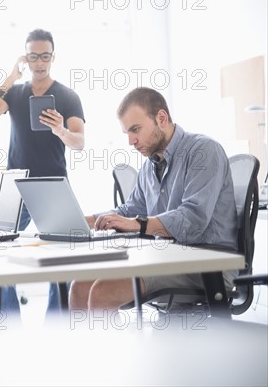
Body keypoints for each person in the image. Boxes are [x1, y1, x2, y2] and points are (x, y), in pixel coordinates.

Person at [69, 87, 238, 312]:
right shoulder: (150, 166)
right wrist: (82, 221)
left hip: (207, 265)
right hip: (168, 259)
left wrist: (140, 224)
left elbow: (193, 219)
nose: (131, 141)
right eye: (127, 133)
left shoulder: (204, 151)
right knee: (80, 287)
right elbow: (130, 210)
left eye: (135, 129)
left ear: (161, 118)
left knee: (102, 292)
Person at [0, 29, 86, 316]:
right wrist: (12, 75)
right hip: (16, 183)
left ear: (53, 57)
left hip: (53, 184)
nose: (40, 63)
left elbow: (79, 142)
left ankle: (57, 321)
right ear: (27, 58)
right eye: (34, 56)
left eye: (45, 56)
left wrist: (60, 129)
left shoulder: (67, 96)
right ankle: (9, 320)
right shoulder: (15, 92)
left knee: (61, 255)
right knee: (0, 249)